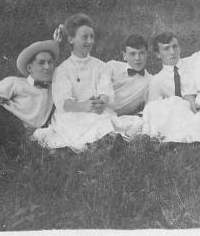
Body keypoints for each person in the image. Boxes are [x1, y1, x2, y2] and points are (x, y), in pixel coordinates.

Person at [32, 14, 141, 151]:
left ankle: (108, 140)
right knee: (89, 122)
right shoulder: (63, 70)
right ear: (71, 39)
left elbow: (106, 90)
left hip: (96, 110)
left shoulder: (100, 66)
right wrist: (83, 106)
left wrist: (102, 100)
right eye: (84, 37)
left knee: (107, 120)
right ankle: (105, 142)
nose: (89, 41)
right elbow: (63, 102)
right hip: (72, 113)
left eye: (92, 37)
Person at [0, 39, 59, 158]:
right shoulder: (15, 83)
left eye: (50, 62)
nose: (47, 67)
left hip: (29, 135)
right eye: (41, 63)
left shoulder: (53, 89)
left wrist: (56, 41)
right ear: (29, 68)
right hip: (7, 125)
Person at [105, 34, 152, 116]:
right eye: (132, 54)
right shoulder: (112, 67)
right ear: (124, 56)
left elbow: (150, 108)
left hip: (117, 118)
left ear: (147, 54)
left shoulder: (150, 81)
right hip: (95, 110)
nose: (137, 58)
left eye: (141, 53)